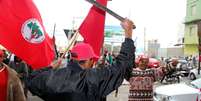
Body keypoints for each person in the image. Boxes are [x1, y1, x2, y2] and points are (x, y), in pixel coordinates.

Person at [26, 19, 136, 101]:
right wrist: (128, 34)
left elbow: (31, 79)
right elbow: (122, 66)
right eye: (92, 60)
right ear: (87, 60)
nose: (93, 63)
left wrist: (50, 67)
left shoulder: (51, 77)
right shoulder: (91, 78)